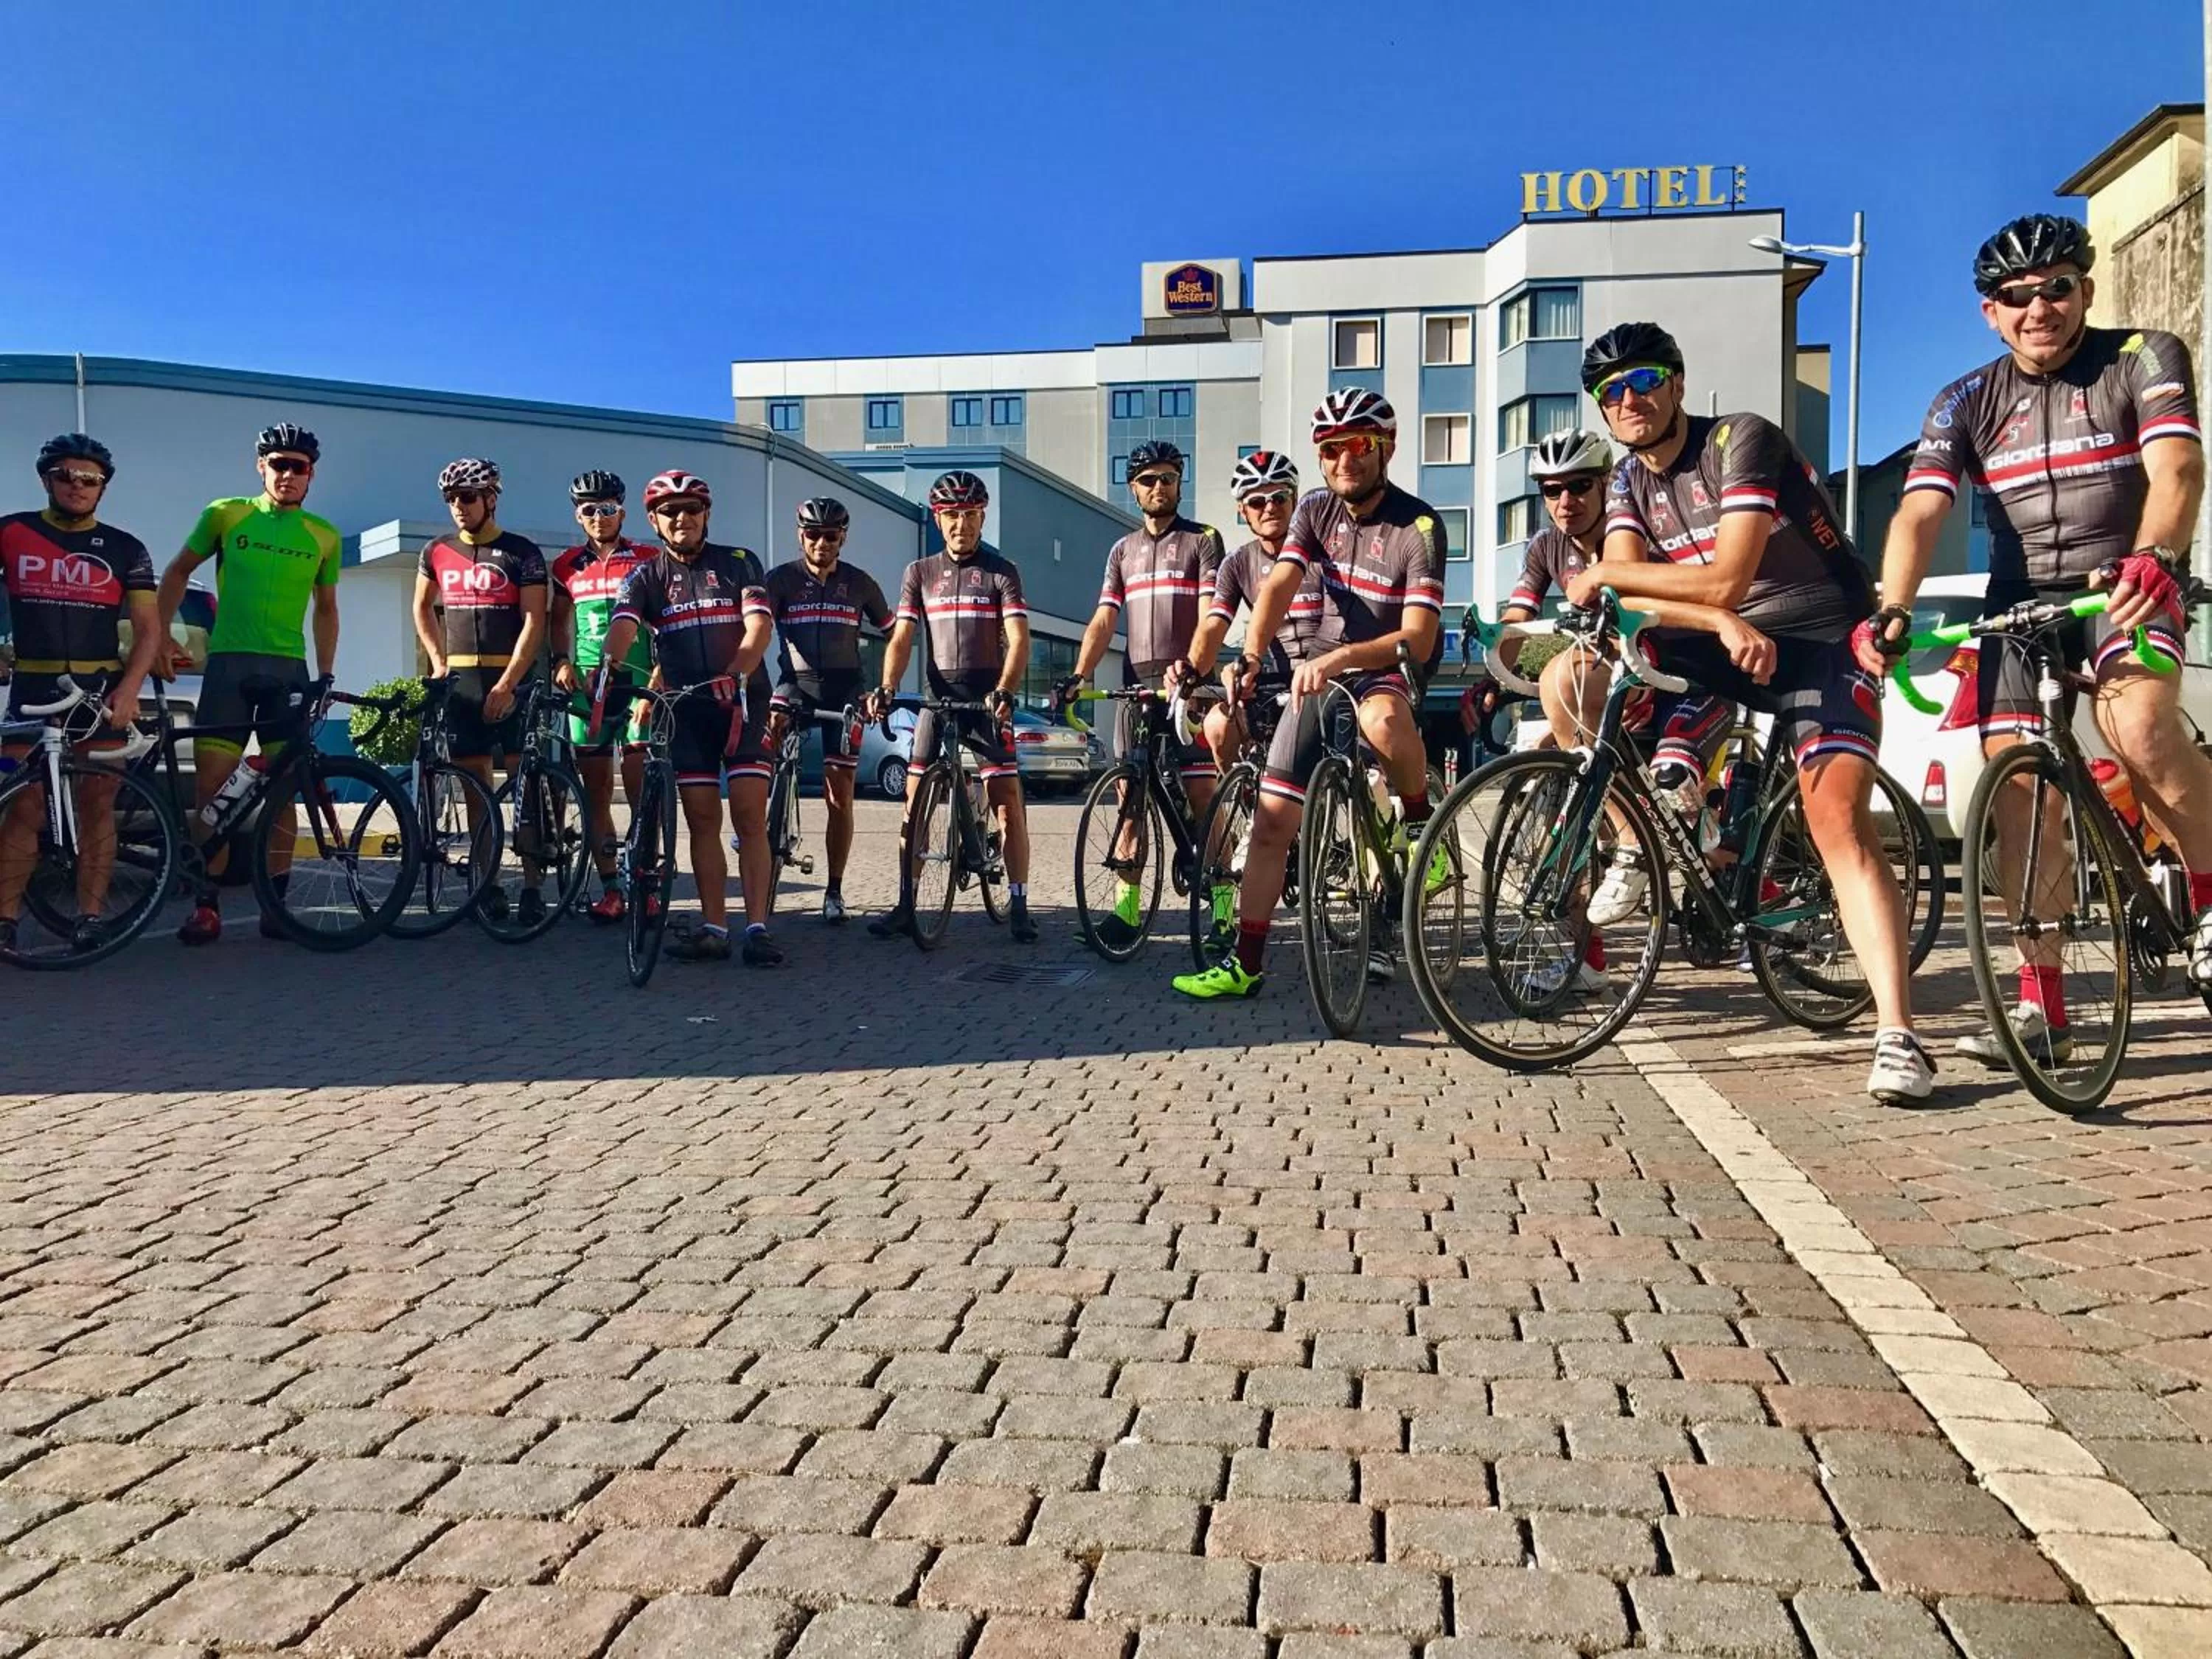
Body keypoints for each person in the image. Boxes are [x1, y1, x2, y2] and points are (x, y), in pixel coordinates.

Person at [1858, 212, 2209, 1063]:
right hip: (2019, 605)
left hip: (2123, 587)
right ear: (1991, 311)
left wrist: (2156, 555)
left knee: (2141, 730)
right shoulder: (1966, 399)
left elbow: (2179, 471)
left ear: (2085, 290)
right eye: (2016, 296)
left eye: (2056, 288)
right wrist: (1893, 608)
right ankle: (2041, 1004)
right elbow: (1918, 510)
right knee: (2017, 792)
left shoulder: (2142, 359)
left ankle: (2207, 897)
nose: (2037, 307)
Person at [1561, 321, 1930, 1103]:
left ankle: (1899, 1036)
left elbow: (1727, 575)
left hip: (1826, 635)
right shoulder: (1627, 480)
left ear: (1677, 385)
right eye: (1610, 392)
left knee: (1837, 826)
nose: (1628, 401)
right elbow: (1627, 588)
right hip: (1739, 636)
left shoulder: (1741, 440)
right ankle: (1647, 837)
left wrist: (1709, 605)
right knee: (1576, 674)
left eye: (1644, 382)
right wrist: (1718, 620)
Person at [1172, 389, 1444, 999]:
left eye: (1357, 446)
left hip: (1384, 665)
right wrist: (1245, 655)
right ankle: (1244, 963)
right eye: (1329, 448)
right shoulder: (1315, 511)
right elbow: (1276, 587)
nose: (1343, 460)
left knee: (1379, 723)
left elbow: (1422, 640)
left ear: (1386, 448)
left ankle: (1422, 821)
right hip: (1317, 675)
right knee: (1271, 823)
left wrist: (1347, 656)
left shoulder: (1419, 525)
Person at [158, 422, 341, 946]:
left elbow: (327, 609)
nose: (287, 474)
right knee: (211, 793)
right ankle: (205, 906)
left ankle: (276, 907)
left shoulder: (323, 535)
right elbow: (175, 574)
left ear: (311, 475)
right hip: (229, 667)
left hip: (288, 669)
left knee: (285, 794)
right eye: (278, 463)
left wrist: (326, 673)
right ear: (260, 466)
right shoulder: (225, 514)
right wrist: (161, 642)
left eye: (298, 466)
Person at [597, 470, 781, 965]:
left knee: (747, 813)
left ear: (706, 515)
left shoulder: (739, 563)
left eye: (692, 509)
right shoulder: (645, 576)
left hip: (743, 701)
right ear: (655, 520)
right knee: (702, 818)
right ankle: (715, 928)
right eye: (671, 511)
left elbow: (759, 626)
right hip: (687, 710)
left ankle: (758, 927)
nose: (683, 518)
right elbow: (623, 625)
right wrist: (608, 668)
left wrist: (737, 670)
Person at [0, 435, 161, 952]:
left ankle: (90, 918)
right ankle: (5, 920)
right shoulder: (12, 532)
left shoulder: (125, 548)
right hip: (33, 688)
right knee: (23, 809)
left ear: (103, 488)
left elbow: (149, 629)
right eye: (66, 475)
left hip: (99, 693)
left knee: (98, 805)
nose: (78, 486)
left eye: (89, 479)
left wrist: (131, 687)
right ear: (47, 479)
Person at [1058, 442, 1226, 938]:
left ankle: (1223, 914)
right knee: (1130, 796)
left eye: (1169, 478)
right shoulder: (1122, 551)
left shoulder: (1203, 541)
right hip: (1138, 690)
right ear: (1134, 488)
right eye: (1149, 480)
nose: (1159, 487)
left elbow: (1210, 613)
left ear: (1180, 483)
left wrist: (1193, 673)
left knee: (1203, 797)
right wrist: (1078, 674)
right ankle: (1127, 914)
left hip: (1190, 685)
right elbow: (1106, 617)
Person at [866, 470, 1037, 944]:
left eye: (969, 515)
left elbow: (1020, 639)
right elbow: (902, 636)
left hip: (987, 700)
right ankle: (906, 901)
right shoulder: (919, 573)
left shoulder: (1002, 571)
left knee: (1007, 805)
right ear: (938, 520)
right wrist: (885, 684)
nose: (961, 524)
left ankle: (1020, 903)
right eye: (951, 515)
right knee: (913, 803)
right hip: (937, 700)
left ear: (982, 517)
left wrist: (1005, 688)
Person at [1177, 448, 1316, 953]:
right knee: (1218, 725)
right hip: (1270, 682)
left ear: (1295, 499)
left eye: (1279, 496)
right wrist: (1192, 669)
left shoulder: (1319, 548)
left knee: (1367, 778)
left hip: (1323, 679)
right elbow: (1215, 622)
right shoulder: (1238, 564)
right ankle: (1255, 806)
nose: (1269, 507)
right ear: (1242, 509)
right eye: (1256, 501)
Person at [412, 458, 549, 925]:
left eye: (467, 497)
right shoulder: (436, 549)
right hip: (462, 686)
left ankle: (533, 886)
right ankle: (487, 884)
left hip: (509, 680)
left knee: (524, 792)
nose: (458, 507)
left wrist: (510, 683)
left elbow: (535, 620)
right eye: (451, 499)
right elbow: (421, 609)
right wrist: (437, 662)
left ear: (491, 497)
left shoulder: (521, 551)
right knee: (476, 794)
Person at [762, 496, 891, 923]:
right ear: (801, 536)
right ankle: (759, 823)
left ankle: (834, 890)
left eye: (830, 536)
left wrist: (882, 687)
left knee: (841, 795)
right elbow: (756, 629)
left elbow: (896, 633)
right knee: (764, 740)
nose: (821, 542)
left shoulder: (859, 583)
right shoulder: (779, 580)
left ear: (842, 539)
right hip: (795, 684)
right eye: (812, 534)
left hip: (846, 692)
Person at [549, 470, 655, 922]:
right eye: (588, 509)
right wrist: (561, 661)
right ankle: (611, 887)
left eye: (607, 508)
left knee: (639, 790)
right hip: (588, 691)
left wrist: (658, 679)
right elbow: (558, 621)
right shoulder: (566, 565)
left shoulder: (648, 557)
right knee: (595, 795)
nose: (597, 517)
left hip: (636, 685)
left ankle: (646, 884)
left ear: (622, 512)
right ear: (578, 514)